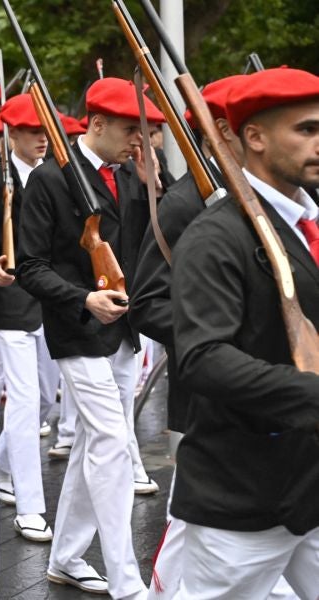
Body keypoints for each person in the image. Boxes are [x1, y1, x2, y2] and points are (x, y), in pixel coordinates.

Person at [169, 66, 319, 600]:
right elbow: (204, 357)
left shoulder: (310, 222)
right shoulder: (214, 236)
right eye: (306, 129)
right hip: (245, 490)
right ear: (253, 137)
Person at [17, 77, 165, 598]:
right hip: (76, 329)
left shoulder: (131, 175)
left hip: (122, 328)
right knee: (112, 443)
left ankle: (66, 556)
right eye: (130, 130)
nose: (139, 141)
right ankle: (126, 579)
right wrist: (83, 299)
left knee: (93, 443)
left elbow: (151, 242)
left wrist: (153, 188)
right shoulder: (49, 179)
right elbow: (29, 266)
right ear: (97, 124)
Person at [128, 73, 250, 598]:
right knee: (194, 523)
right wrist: (223, 334)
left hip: (270, 397)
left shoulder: (267, 195)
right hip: (209, 395)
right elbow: (148, 302)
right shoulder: (183, 203)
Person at [0, 93, 60, 542]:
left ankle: (0, 467)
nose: (41, 139)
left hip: (53, 301)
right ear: (13, 134)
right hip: (11, 302)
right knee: (22, 403)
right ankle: (30, 506)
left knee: (46, 401)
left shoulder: (57, 177)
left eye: (45, 132)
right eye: (32, 132)